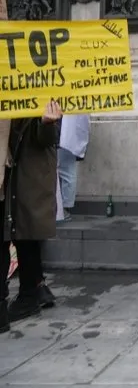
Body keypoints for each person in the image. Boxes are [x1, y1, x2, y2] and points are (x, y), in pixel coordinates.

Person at [1, 100, 63, 333]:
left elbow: (48, 136)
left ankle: (30, 292)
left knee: (24, 230)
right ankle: (35, 287)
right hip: (21, 171)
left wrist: (47, 123)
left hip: (29, 173)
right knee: (21, 230)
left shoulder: (46, 97)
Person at [57, 114, 90, 221]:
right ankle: (65, 206)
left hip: (62, 134)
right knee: (68, 171)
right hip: (68, 135)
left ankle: (63, 208)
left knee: (65, 171)